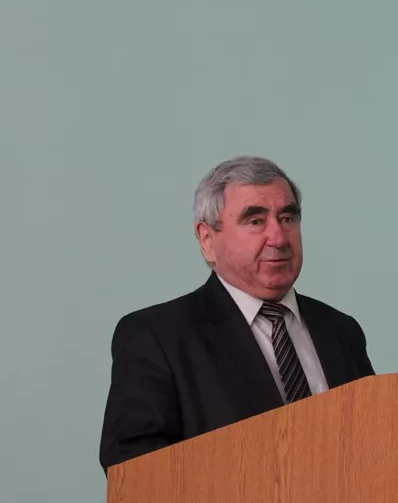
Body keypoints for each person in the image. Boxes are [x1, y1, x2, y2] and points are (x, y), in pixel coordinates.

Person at [98, 156, 375, 473]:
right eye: (255, 221)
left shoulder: (341, 330)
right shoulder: (157, 337)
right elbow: (135, 469)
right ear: (207, 240)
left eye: (287, 218)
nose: (278, 238)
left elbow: (376, 442)